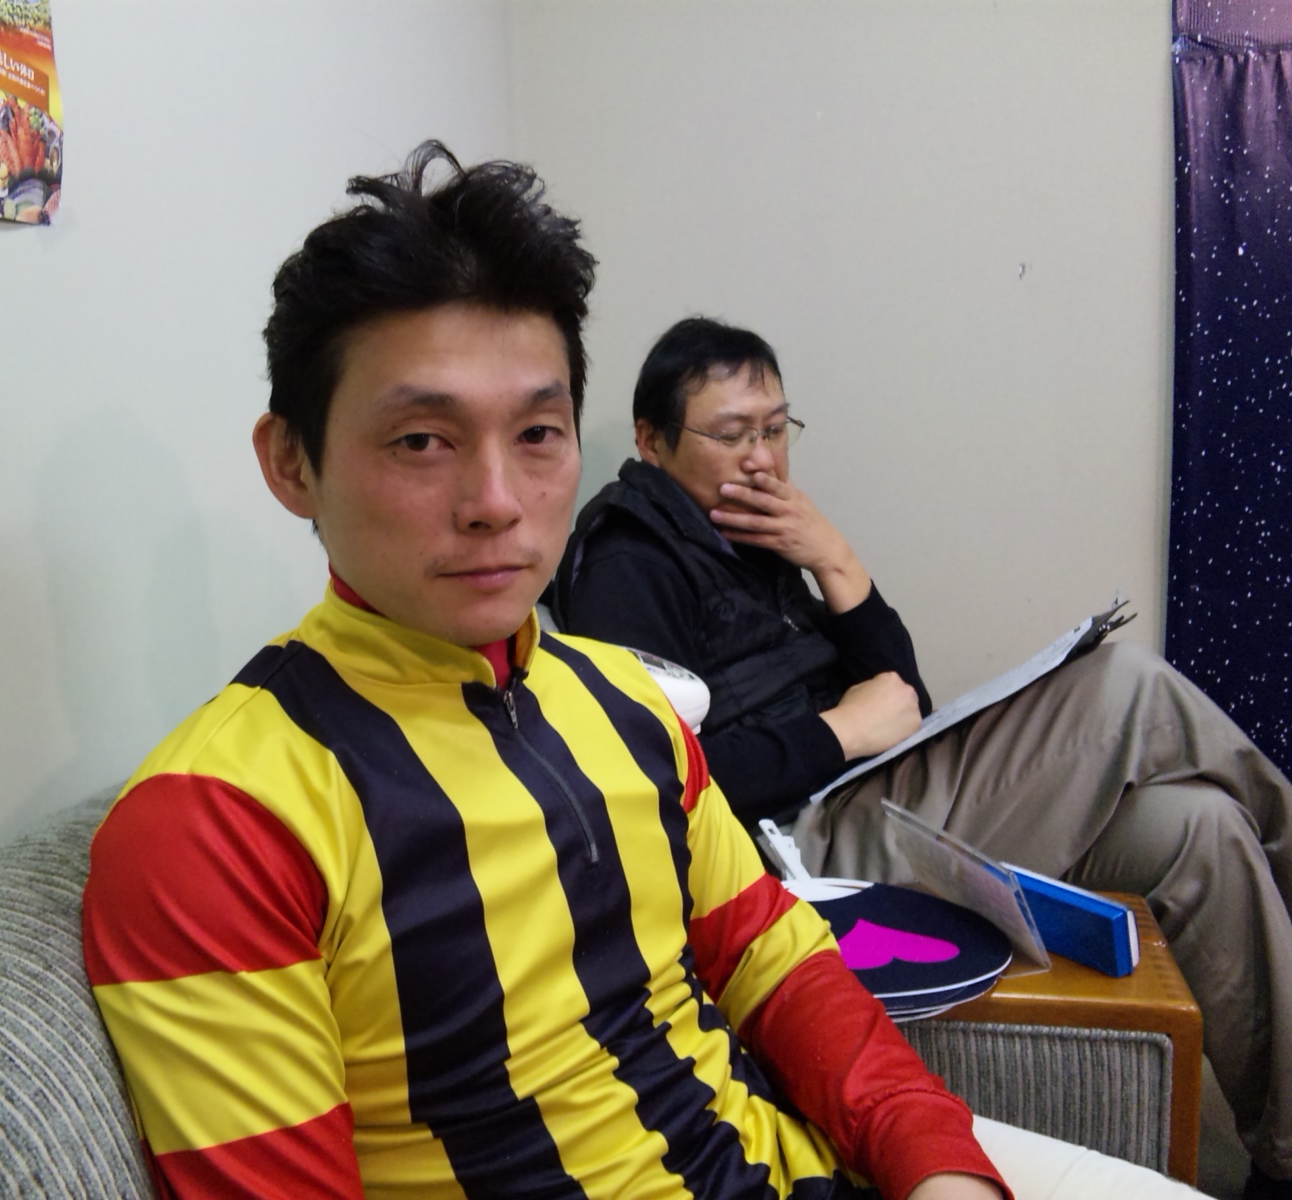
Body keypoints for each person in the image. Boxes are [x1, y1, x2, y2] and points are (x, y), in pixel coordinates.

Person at [81, 144, 1200, 1200]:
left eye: (537, 433)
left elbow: (774, 959)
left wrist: (931, 1160)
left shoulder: (622, 699)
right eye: (422, 440)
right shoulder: (216, 823)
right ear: (291, 462)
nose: (497, 502)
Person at [550, 315, 1292, 1200]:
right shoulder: (626, 560)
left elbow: (908, 700)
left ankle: (1285, 1153)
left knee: (1197, 827)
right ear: (651, 440)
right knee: (1127, 684)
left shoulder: (755, 539)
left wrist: (834, 559)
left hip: (868, 801)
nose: (761, 458)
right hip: (795, 857)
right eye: (732, 433)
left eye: (776, 429)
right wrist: (841, 731)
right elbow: (654, 786)